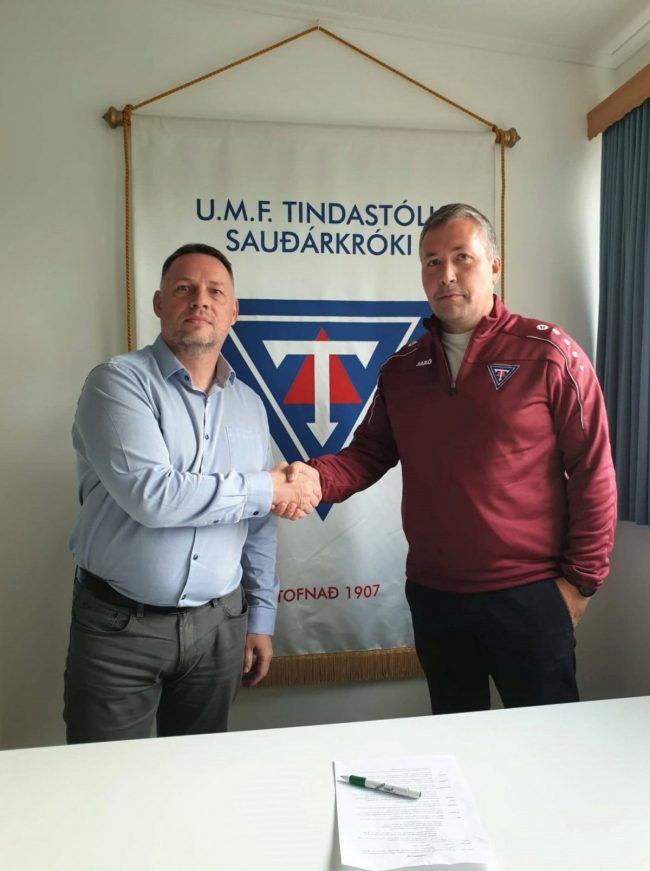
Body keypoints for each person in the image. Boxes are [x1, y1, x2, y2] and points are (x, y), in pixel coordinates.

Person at [278, 204, 617, 714]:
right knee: (456, 742)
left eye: (462, 257)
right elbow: (369, 453)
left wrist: (581, 583)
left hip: (531, 596)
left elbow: (593, 469)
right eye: (432, 262)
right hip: (436, 599)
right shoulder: (401, 369)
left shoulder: (548, 353)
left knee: (549, 745)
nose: (447, 274)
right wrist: (313, 479)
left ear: (494, 266)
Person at [65, 243, 319, 743]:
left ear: (233, 311)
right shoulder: (116, 384)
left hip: (220, 628)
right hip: (119, 629)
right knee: (104, 777)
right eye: (184, 289)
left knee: (199, 774)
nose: (200, 300)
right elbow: (153, 496)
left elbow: (258, 525)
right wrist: (269, 486)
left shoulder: (249, 405)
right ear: (159, 303)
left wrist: (260, 617)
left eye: (215, 291)